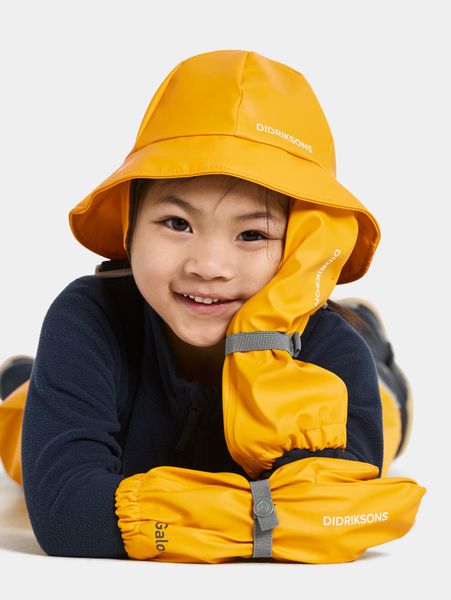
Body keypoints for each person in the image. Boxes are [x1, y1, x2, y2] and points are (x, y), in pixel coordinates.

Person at [0, 49, 425, 563]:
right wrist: (272, 517)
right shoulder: (89, 317)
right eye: (177, 223)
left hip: (337, 361)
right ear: (130, 227)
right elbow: (68, 516)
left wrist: (263, 339)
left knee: (384, 410)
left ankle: (373, 339)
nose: (208, 265)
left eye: (253, 234)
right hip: (80, 374)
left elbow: (336, 511)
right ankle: (18, 374)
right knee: (17, 416)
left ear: (305, 246)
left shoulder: (332, 354)